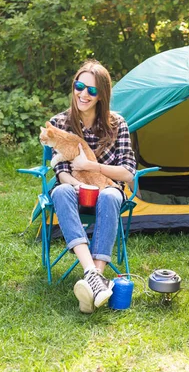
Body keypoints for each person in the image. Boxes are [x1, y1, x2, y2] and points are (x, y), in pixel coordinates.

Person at [47, 60, 136, 314]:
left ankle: (95, 277)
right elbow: (61, 171)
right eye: (79, 86)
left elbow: (127, 172)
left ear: (102, 96)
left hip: (107, 189)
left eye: (92, 90)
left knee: (109, 195)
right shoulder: (60, 122)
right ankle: (93, 275)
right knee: (61, 190)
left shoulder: (117, 124)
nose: (83, 94)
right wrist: (79, 185)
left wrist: (92, 167)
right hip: (74, 191)